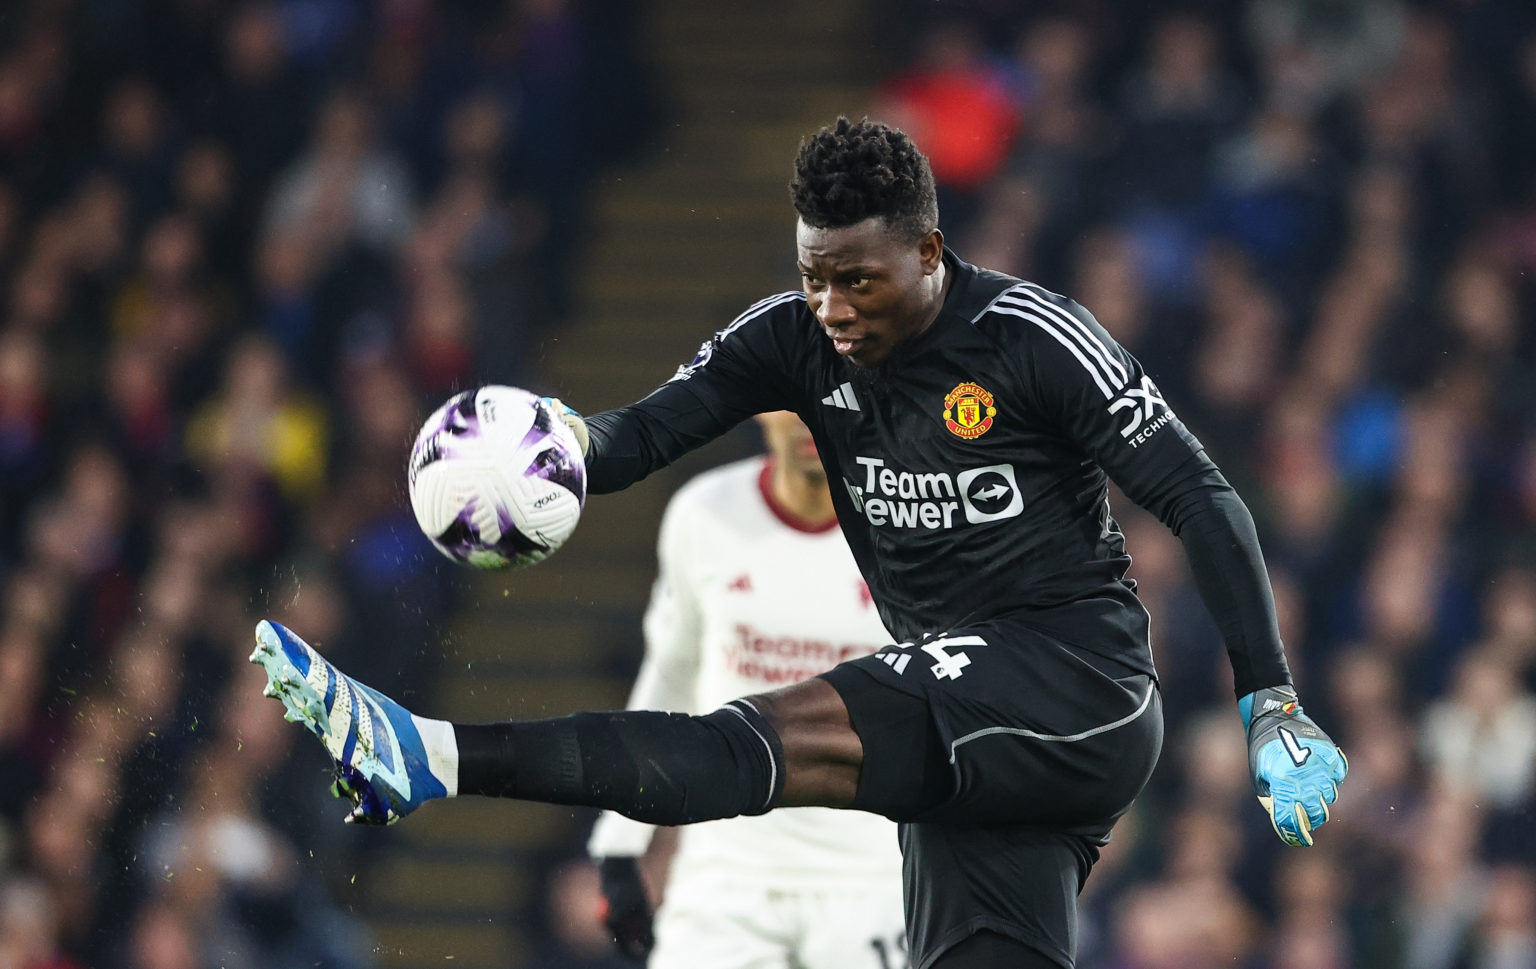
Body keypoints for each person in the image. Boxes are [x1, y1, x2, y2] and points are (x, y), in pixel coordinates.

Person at [251, 117, 1347, 969]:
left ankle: (432, 754)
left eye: (857, 279)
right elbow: (641, 436)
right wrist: (559, 446)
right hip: (974, 748)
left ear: (929, 249)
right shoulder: (789, 338)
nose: (830, 305)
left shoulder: (1033, 340)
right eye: (814, 272)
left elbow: (1205, 500)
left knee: (751, 743)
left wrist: (1273, 702)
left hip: (1072, 680)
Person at [588, 410, 906, 968]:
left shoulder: (910, 525)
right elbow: (672, 675)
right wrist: (621, 843)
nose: (809, 418)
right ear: (761, 402)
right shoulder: (704, 513)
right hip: (723, 877)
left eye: (825, 393)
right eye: (792, 397)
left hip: (872, 879)